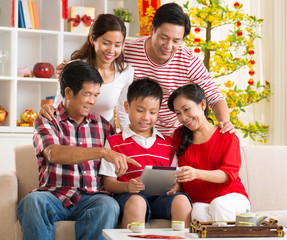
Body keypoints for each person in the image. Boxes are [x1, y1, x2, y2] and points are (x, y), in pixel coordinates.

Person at [17, 61, 140, 240]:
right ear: (68, 92)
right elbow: (54, 153)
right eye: (87, 94)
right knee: (32, 202)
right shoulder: (47, 120)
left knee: (109, 205)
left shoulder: (104, 126)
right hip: (54, 195)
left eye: (96, 95)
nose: (92, 100)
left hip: (93, 198)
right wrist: (101, 152)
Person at [123, 3, 234, 136]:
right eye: (163, 38)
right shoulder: (128, 51)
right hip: (137, 132)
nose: (168, 46)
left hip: (174, 135)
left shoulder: (188, 59)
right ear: (152, 30)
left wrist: (225, 123)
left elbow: (214, 95)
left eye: (176, 41)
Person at [99, 78, 192, 228]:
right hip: (129, 198)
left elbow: (177, 178)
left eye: (152, 112)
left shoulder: (169, 143)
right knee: (137, 202)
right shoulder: (114, 142)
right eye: (140, 110)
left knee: (182, 201)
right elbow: (108, 184)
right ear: (127, 107)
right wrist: (127, 187)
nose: (146, 117)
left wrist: (176, 187)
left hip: (161, 200)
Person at [167, 84, 250, 222]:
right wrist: (177, 185)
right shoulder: (179, 136)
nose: (183, 117)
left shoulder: (226, 135)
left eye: (186, 109)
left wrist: (196, 173)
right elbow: (176, 169)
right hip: (200, 201)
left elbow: (228, 175)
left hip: (231, 197)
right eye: (178, 113)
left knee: (218, 205)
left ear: (203, 104)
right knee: (197, 212)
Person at [40, 14, 133, 130]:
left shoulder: (126, 72)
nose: (111, 50)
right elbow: (61, 103)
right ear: (92, 39)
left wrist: (127, 140)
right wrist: (48, 111)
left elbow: (123, 111)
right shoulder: (75, 67)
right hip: (73, 132)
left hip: (104, 133)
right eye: (106, 43)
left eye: (117, 45)